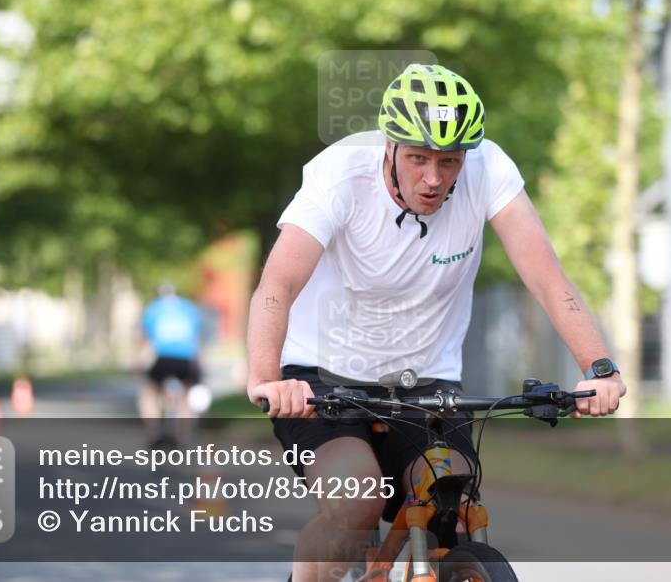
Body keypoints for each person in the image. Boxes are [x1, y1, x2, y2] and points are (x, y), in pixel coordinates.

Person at [246, 63, 627, 582]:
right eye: (419, 158)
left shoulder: (489, 169)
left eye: (449, 162)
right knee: (355, 506)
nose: (433, 178)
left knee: (455, 498)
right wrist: (268, 378)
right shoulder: (340, 173)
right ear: (389, 147)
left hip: (427, 382)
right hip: (322, 379)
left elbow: (545, 277)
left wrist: (599, 367)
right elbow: (277, 285)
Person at [139, 281, 205, 448]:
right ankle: (184, 435)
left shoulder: (153, 309)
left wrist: (139, 363)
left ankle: (153, 431)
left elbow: (146, 341)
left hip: (162, 357)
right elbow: (197, 341)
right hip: (185, 359)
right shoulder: (189, 309)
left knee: (149, 391)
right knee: (186, 395)